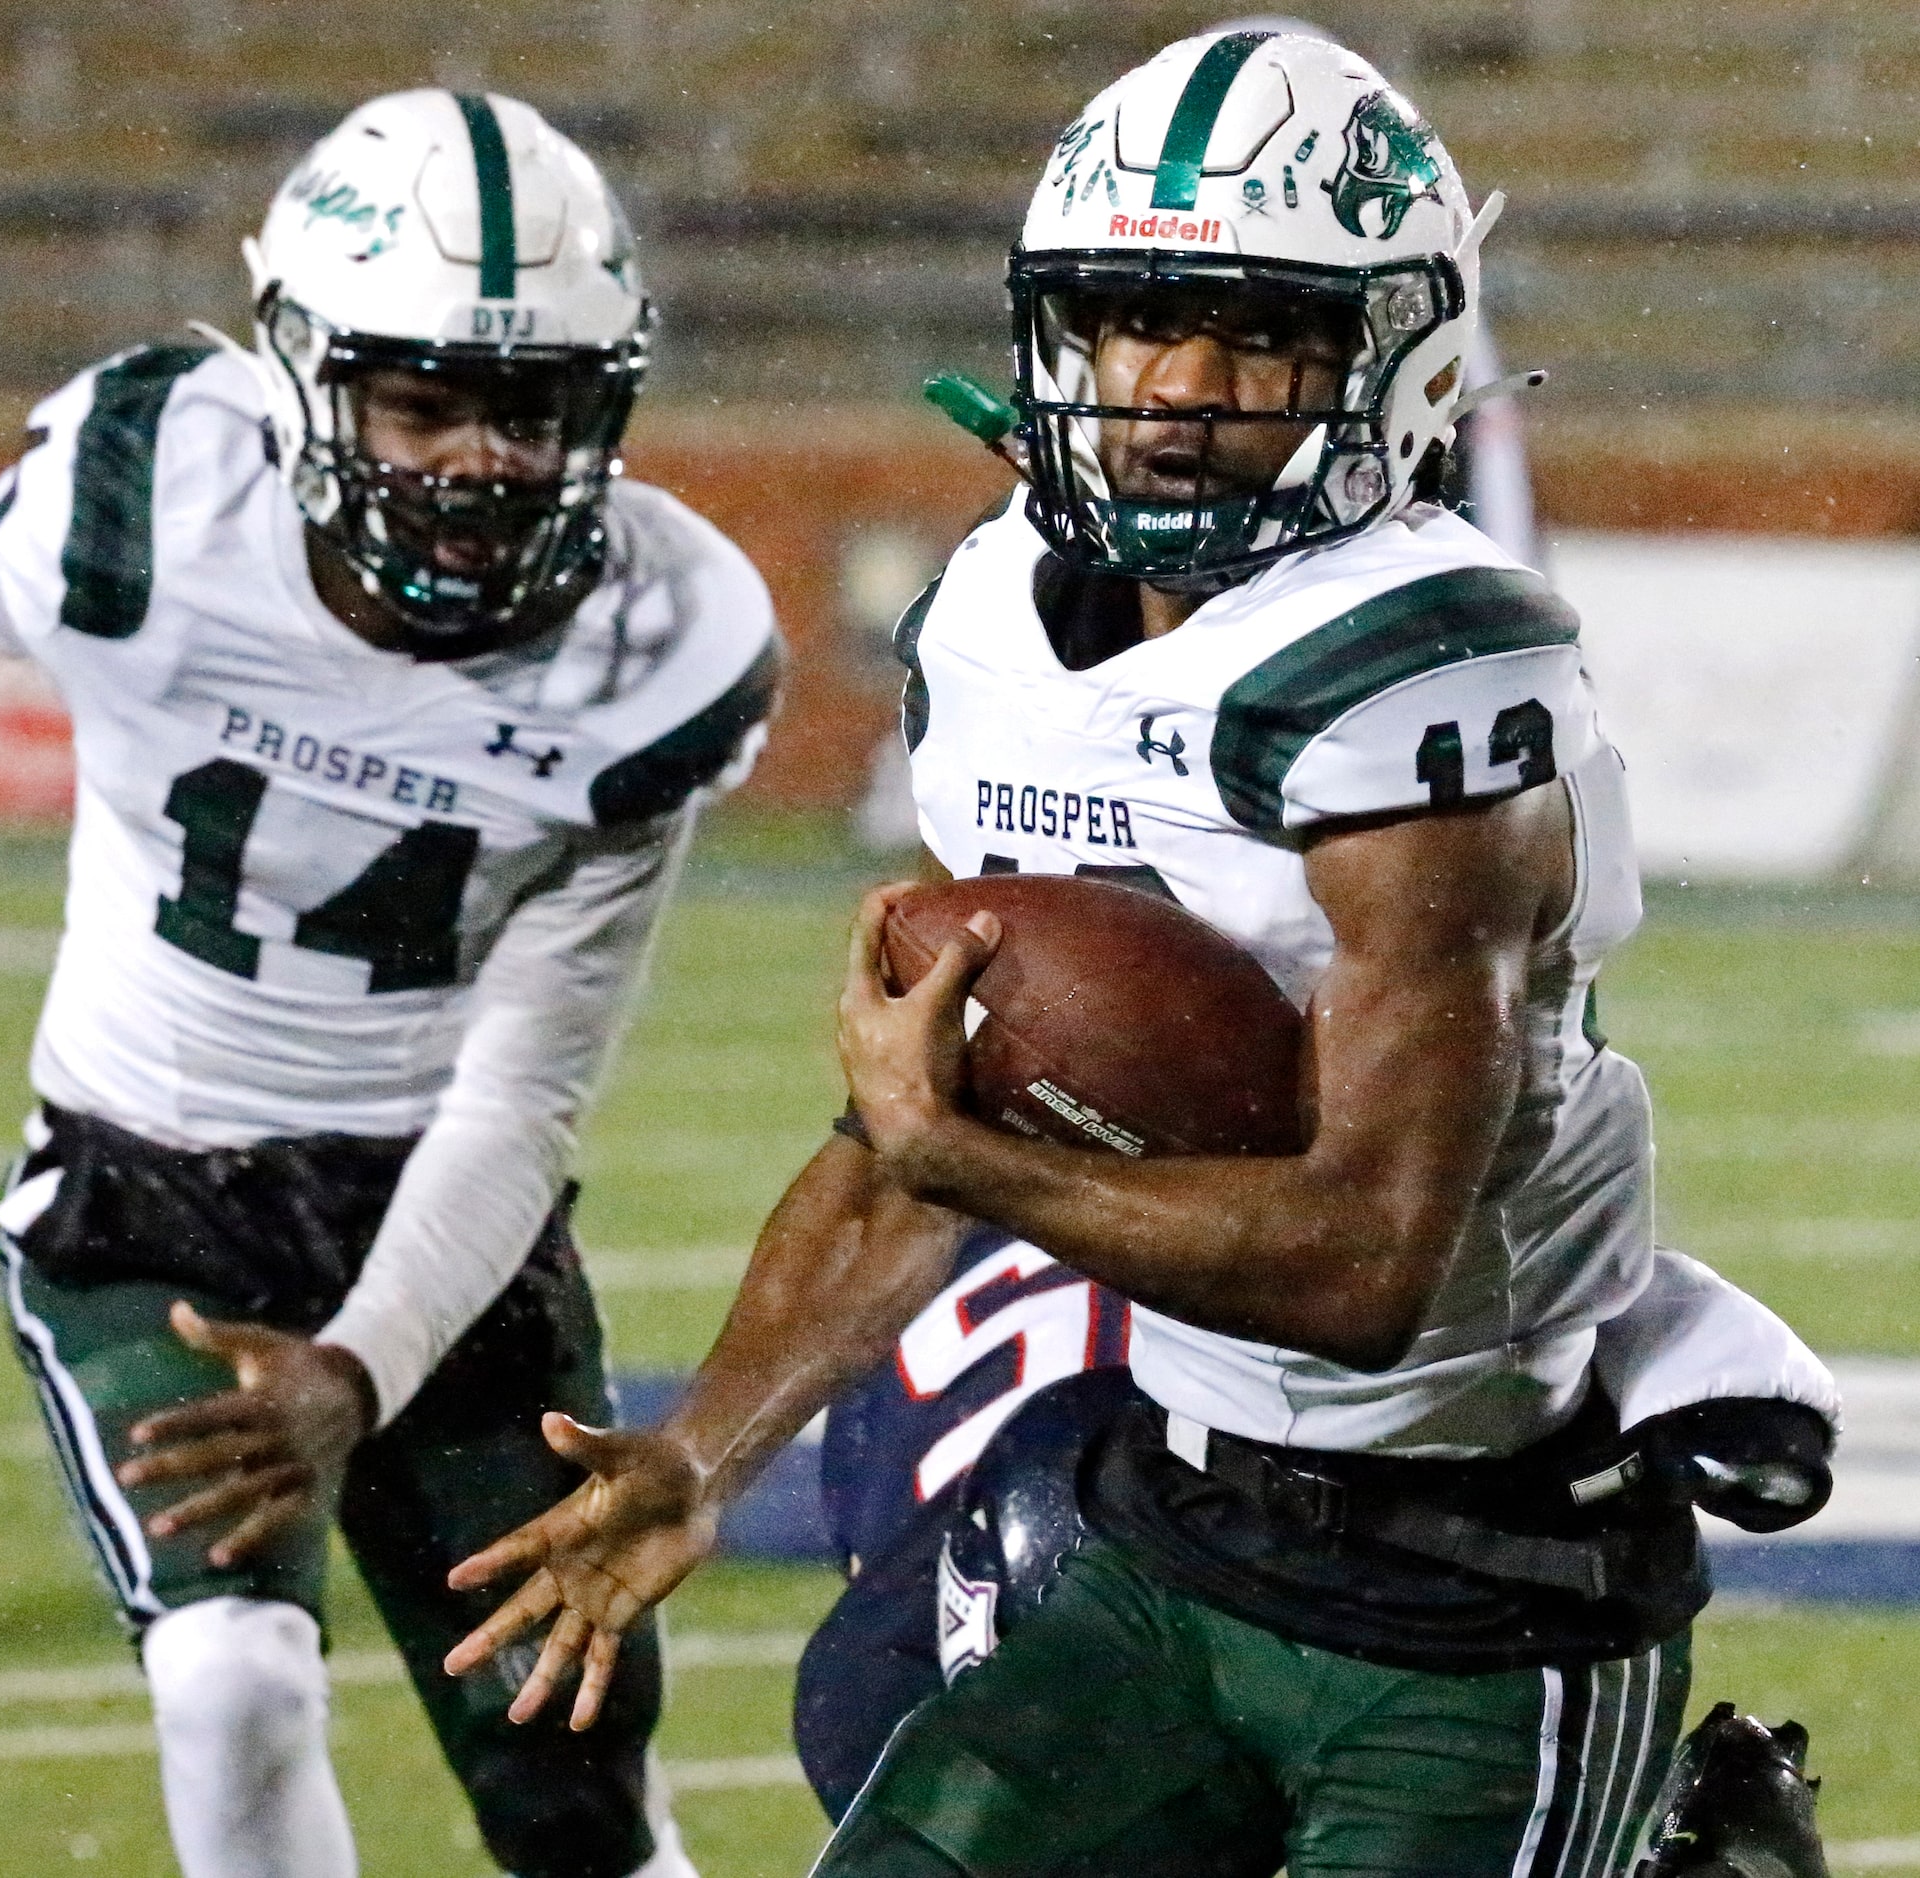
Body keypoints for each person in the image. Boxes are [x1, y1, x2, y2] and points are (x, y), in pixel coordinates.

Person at [445, 32, 1838, 1878]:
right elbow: (912, 1130)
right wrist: (705, 1448)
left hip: (1484, 1579)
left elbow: (1367, 1264)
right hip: (1177, 1516)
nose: (1175, 391)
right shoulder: (1002, 621)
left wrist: (971, 1160)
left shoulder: (1426, 678)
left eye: (1258, 334)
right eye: (1128, 321)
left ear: (1396, 361)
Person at [0, 89, 778, 1878]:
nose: (478, 456)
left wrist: (358, 1366)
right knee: (230, 1679)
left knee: (573, 1785)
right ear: (303, 380)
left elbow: (523, 1091)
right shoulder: (147, 496)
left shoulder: (661, 650)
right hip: (142, 1179)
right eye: (423, 399)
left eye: (529, 406)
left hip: (439, 1220)